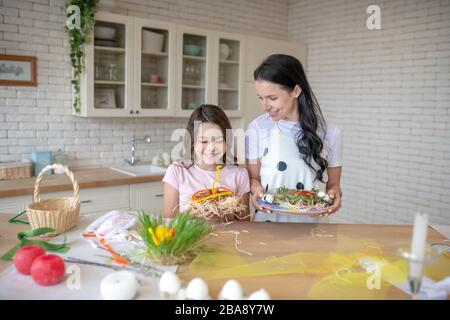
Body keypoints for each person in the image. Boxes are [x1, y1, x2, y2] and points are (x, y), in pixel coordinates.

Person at [246, 54, 342, 223]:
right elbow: (254, 179)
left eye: (272, 98)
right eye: (260, 98)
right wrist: (255, 191)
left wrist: (334, 195)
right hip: (268, 225)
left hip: (313, 227)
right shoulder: (257, 128)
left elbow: (333, 185)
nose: (265, 106)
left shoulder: (330, 133)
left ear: (296, 91)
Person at [163, 104, 250, 219]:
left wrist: (225, 215)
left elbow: (245, 224)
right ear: (192, 142)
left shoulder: (239, 175)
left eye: (219, 140)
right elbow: (168, 221)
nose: (212, 148)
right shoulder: (177, 171)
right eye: (204, 141)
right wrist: (190, 216)